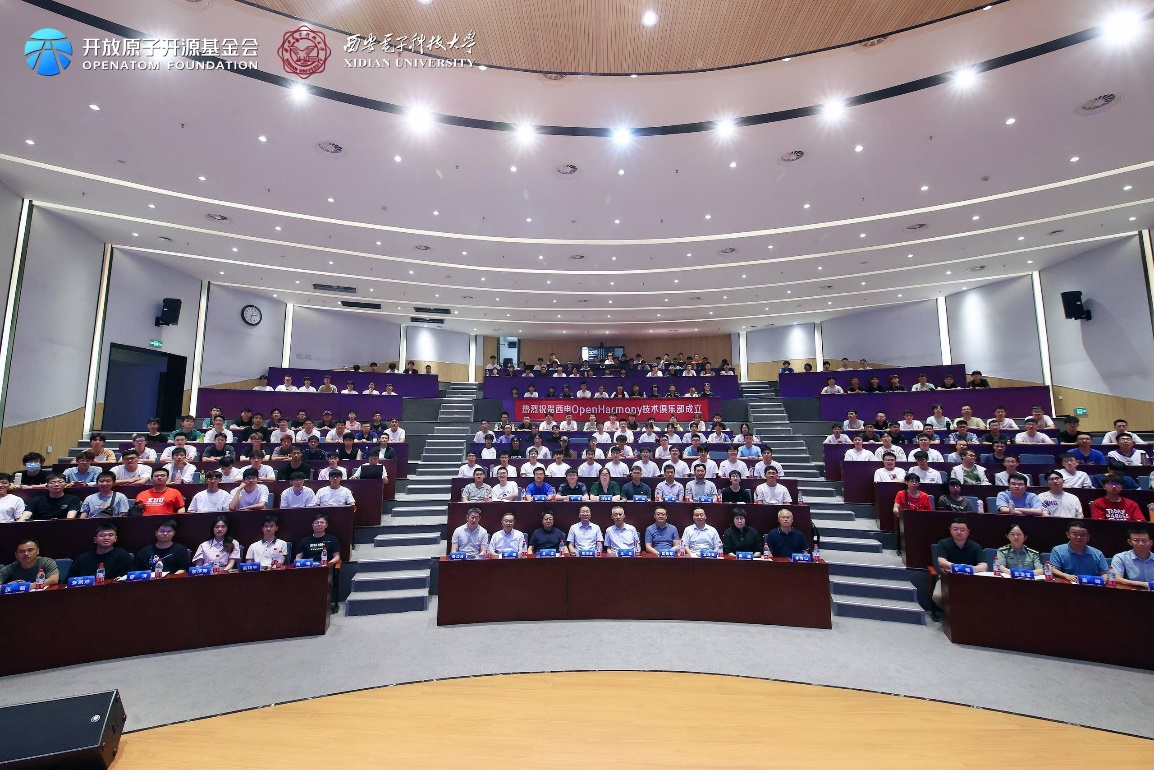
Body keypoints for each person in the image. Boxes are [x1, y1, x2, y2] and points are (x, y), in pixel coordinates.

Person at [933, 518, 987, 605]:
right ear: (950, 530)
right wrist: (957, 567)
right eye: (955, 529)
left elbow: (984, 566)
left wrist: (968, 569)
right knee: (938, 596)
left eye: (962, 530)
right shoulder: (943, 543)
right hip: (947, 578)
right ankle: (950, 611)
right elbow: (941, 561)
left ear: (968, 531)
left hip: (970, 579)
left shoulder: (976, 546)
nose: (958, 532)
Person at [70, 522, 134, 580]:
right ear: (95, 540)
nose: (106, 538)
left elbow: (130, 577)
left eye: (110, 535)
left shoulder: (123, 556)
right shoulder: (83, 559)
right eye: (102, 535)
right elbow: (69, 581)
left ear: (115, 538)